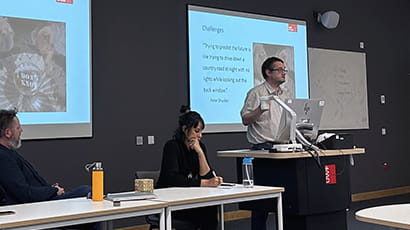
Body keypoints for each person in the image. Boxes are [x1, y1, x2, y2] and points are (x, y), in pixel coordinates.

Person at [0, 108, 91, 204]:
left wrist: (49, 189)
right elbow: (24, 193)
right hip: (37, 205)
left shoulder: (8, 153)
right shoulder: (3, 157)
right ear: (8, 133)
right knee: (86, 191)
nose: (21, 131)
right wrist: (53, 191)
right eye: (18, 128)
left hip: (43, 198)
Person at [240, 56, 290, 230]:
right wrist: (260, 109)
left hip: (282, 148)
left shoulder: (284, 94)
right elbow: (245, 119)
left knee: (286, 197)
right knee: (262, 202)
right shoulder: (256, 93)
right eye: (280, 70)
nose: (284, 73)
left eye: (285, 69)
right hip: (262, 149)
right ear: (268, 73)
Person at [157, 105, 223, 230]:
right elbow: (172, 178)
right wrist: (203, 183)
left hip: (190, 197)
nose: (200, 136)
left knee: (210, 208)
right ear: (185, 129)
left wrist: (200, 153)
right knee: (203, 213)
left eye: (201, 131)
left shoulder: (200, 147)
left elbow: (207, 176)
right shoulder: (172, 146)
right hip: (171, 200)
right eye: (196, 131)